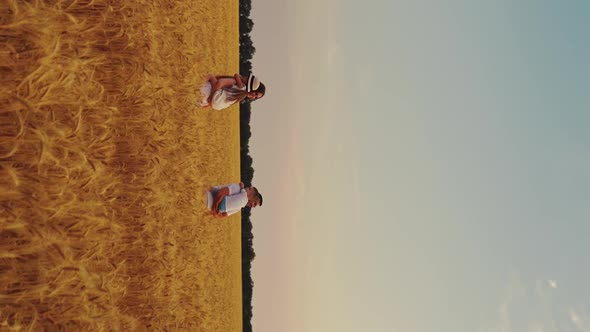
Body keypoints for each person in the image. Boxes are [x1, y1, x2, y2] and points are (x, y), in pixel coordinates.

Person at [197, 73, 266, 110]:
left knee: (210, 76)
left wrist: (210, 98)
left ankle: (195, 81)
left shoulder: (238, 86)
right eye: (256, 93)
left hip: (208, 96)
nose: (254, 96)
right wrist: (209, 104)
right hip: (211, 104)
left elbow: (220, 82)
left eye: (256, 97)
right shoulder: (239, 96)